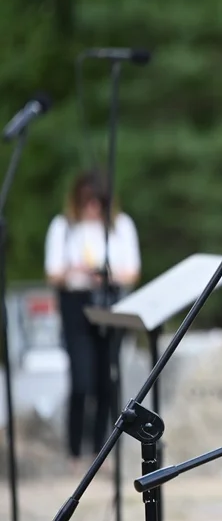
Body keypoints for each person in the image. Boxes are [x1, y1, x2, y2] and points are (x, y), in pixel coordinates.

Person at [44, 168, 140, 470]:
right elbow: (54, 273)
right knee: (81, 380)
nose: (92, 208)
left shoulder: (121, 226)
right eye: (87, 201)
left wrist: (107, 273)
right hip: (77, 303)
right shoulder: (64, 227)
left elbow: (132, 270)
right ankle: (75, 451)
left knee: (107, 380)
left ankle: (101, 449)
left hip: (112, 303)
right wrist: (78, 272)